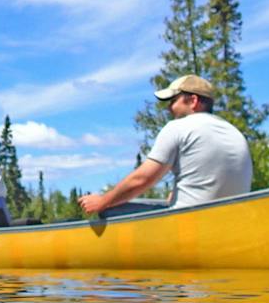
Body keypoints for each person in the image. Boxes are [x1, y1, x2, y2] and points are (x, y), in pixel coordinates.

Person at [78, 74, 251, 218]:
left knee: (110, 208)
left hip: (186, 224)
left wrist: (102, 201)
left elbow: (143, 179)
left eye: (173, 100)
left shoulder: (178, 127)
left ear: (193, 100)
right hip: (230, 221)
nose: (168, 108)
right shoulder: (234, 132)